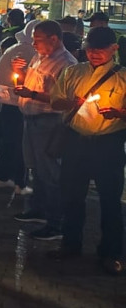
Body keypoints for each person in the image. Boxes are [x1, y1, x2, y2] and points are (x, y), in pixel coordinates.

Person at [50, 26, 126, 275]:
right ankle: (70, 244)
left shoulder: (123, 77)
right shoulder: (73, 72)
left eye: (100, 50)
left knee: (110, 200)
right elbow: (55, 100)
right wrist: (73, 102)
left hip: (109, 143)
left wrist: (118, 113)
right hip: (76, 141)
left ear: (113, 49)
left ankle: (111, 252)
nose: (94, 54)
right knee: (71, 196)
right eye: (90, 49)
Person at [12, 20, 77, 241]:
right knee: (36, 168)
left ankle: (55, 222)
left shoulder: (67, 64)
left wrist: (31, 95)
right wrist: (19, 73)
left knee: (50, 172)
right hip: (30, 120)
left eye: (38, 39)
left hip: (49, 123)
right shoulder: (40, 57)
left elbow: (65, 100)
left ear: (54, 39)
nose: (33, 43)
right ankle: (38, 210)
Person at [0, 21, 37, 191]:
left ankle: (4, 176)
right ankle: (17, 181)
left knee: (6, 140)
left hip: (4, 100)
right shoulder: (28, 50)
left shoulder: (15, 48)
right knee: (17, 143)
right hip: (16, 102)